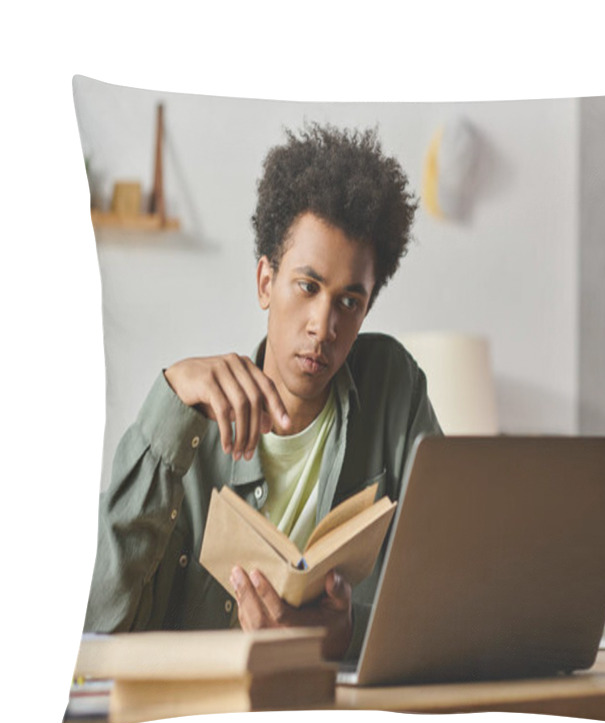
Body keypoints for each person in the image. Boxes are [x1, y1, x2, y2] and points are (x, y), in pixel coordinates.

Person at [84, 123, 441, 660]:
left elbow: (448, 601)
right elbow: (98, 628)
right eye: (308, 286)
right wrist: (168, 404)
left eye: (350, 301)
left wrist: (347, 636)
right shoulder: (191, 423)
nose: (324, 326)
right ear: (264, 283)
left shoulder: (394, 387)